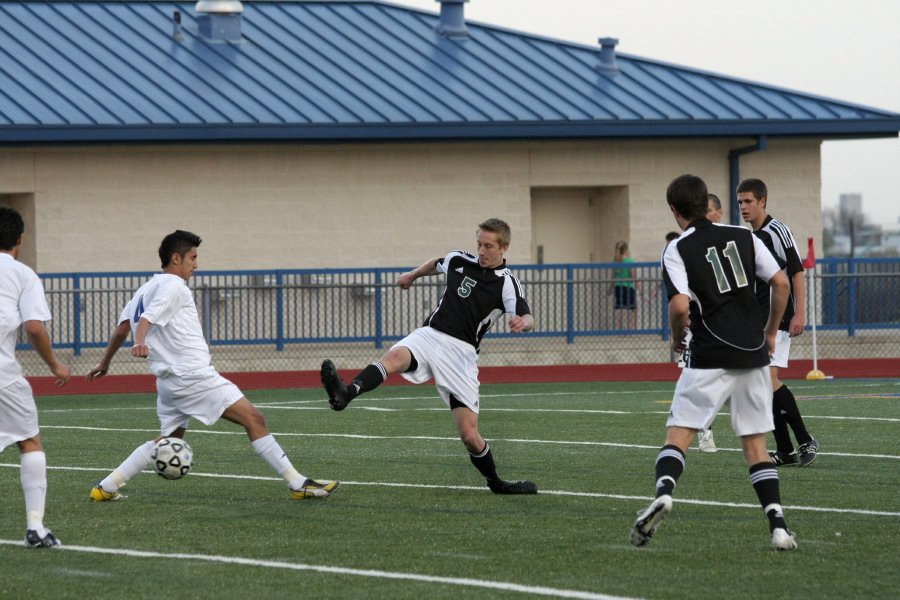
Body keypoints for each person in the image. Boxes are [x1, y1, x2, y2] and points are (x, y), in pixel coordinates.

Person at [86, 230, 338, 501]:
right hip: (192, 377)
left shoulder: (145, 289)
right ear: (176, 258)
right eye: (192, 258)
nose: (196, 264)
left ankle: (107, 486)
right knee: (254, 419)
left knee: (170, 439)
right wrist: (140, 342)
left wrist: (105, 362)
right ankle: (298, 484)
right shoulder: (173, 285)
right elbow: (143, 322)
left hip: (169, 383)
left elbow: (121, 328)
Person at [631, 174, 797, 551]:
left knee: (680, 434)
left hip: (708, 354)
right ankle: (779, 527)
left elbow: (678, 305)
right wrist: (770, 332)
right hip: (754, 354)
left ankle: (665, 493)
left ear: (675, 211)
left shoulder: (677, 249)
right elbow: (782, 283)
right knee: (755, 444)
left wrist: (676, 339)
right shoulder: (744, 235)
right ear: (708, 202)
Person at [320, 218, 538, 495]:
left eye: (489, 246)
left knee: (470, 436)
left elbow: (526, 313)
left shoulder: (507, 283)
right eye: (479, 244)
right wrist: (412, 275)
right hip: (431, 334)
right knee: (396, 355)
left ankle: (497, 483)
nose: (482, 251)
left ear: (504, 248)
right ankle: (346, 392)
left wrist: (523, 323)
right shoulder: (460, 259)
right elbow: (437, 263)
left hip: (461, 355)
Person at [0, 206, 71, 548]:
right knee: (28, 440)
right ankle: (36, 529)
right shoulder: (23, 274)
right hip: (3, 376)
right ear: (20, 240)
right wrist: (55, 365)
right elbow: (33, 326)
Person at [738, 178, 819, 467]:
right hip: (758, 319)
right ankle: (785, 451)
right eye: (740, 202)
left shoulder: (776, 230)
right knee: (761, 385)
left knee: (768, 380)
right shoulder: (748, 237)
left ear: (762, 201)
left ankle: (806, 440)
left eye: (748, 201)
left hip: (780, 317)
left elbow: (796, 272)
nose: (743, 207)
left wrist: (800, 313)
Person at [694, 193, 726, 453]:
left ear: (719, 213)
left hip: (732, 327)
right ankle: (704, 432)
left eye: (709, 211)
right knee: (697, 380)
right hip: (701, 326)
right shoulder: (691, 244)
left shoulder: (734, 239)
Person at [611, 241, 637, 330]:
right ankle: (632, 328)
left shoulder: (615, 262)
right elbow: (633, 275)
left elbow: (612, 277)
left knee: (619, 308)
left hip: (618, 287)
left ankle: (619, 328)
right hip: (628, 287)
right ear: (626, 250)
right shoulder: (629, 261)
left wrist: (610, 289)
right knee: (632, 308)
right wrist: (639, 287)